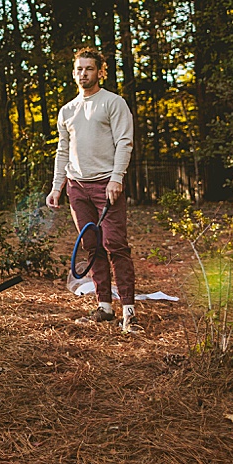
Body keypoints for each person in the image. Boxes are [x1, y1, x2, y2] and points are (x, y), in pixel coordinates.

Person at [45, 46, 139, 334]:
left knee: (115, 245)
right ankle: (104, 307)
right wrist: (56, 186)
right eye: (78, 69)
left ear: (100, 72)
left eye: (88, 69)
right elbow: (62, 151)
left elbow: (125, 142)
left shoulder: (113, 102)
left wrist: (116, 178)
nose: (83, 74)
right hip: (77, 188)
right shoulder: (67, 111)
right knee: (92, 245)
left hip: (106, 186)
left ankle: (129, 311)